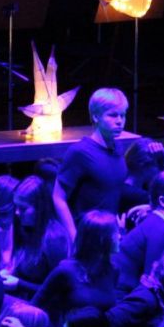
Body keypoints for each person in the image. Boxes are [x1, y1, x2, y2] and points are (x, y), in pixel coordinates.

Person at [53, 87, 128, 242]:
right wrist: (74, 236)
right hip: (87, 236)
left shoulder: (117, 148)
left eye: (123, 115)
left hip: (109, 234)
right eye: (113, 115)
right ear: (96, 117)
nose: (120, 121)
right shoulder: (80, 152)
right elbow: (58, 197)